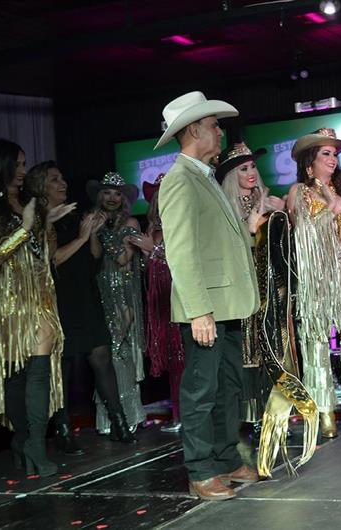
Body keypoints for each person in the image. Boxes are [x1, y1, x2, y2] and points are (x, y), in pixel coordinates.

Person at [156, 91, 260, 501]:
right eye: (214, 125)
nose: (220, 132)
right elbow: (181, 251)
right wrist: (199, 310)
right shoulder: (180, 179)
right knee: (202, 389)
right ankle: (200, 469)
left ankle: (224, 457)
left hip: (227, 304)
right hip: (207, 308)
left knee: (228, 385)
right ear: (194, 130)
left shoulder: (204, 175)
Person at [218, 142, 318, 477]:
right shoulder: (227, 209)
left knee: (273, 350)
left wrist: (283, 215)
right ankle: (251, 421)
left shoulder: (270, 200)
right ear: (231, 176)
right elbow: (231, 254)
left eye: (252, 167)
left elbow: (288, 246)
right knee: (248, 355)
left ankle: (274, 418)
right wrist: (250, 227)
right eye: (243, 169)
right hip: (244, 295)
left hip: (272, 292)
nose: (251, 173)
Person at [0, 139, 73, 476]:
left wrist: (47, 223)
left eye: (23, 164)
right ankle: (24, 439)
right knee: (16, 376)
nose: (23, 170)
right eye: (18, 164)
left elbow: (44, 254)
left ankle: (35, 444)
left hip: (39, 297)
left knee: (40, 370)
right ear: (1, 165)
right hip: (6, 303)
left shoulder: (28, 202)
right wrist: (26, 227)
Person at [36, 161, 137, 452]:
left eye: (62, 178)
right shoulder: (41, 219)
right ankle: (63, 429)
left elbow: (94, 258)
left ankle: (119, 422)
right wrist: (82, 236)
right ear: (42, 186)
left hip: (86, 293)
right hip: (60, 297)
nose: (63, 183)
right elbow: (53, 260)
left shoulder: (75, 214)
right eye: (55, 179)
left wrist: (92, 232)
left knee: (101, 355)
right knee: (65, 364)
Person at [286, 128, 341, 438]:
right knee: (316, 343)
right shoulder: (299, 192)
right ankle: (324, 413)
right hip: (317, 281)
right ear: (309, 163)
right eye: (325, 153)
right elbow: (304, 235)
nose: (333, 159)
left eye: (335, 154)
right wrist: (335, 208)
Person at [87, 172, 147, 436]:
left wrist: (103, 232)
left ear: (123, 198)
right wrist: (93, 231)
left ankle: (128, 414)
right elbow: (93, 255)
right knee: (104, 355)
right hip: (99, 291)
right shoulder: (95, 221)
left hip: (123, 294)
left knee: (119, 352)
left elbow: (123, 258)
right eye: (107, 192)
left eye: (117, 193)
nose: (112, 198)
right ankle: (108, 417)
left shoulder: (130, 222)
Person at [131, 173, 186, 434]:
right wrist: (147, 254)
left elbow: (181, 260)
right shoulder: (154, 228)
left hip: (179, 297)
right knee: (173, 361)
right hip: (159, 300)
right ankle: (178, 415)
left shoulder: (181, 221)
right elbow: (151, 269)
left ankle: (186, 415)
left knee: (182, 358)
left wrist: (153, 250)